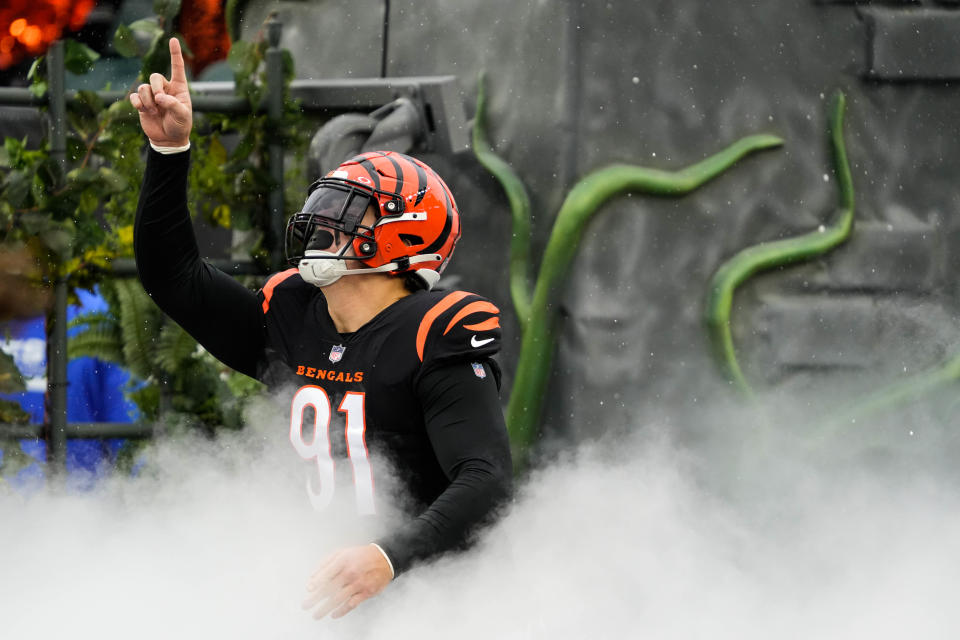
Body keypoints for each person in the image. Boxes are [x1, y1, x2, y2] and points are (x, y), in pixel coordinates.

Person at [129, 38, 512, 619]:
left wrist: (389, 556)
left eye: (348, 211)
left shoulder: (435, 332)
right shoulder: (292, 312)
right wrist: (169, 150)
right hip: (322, 584)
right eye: (326, 207)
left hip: (433, 594)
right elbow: (172, 276)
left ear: (403, 234)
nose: (322, 224)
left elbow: (485, 480)